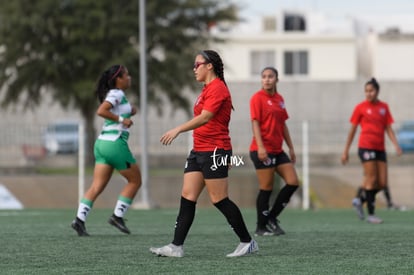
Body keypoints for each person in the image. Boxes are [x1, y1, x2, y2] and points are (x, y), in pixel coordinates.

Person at [150, 50, 258, 257]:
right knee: (187, 196)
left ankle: (247, 241)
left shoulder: (217, 88)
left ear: (209, 66)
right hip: (198, 150)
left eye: (197, 64)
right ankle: (176, 246)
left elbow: (206, 117)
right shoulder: (206, 90)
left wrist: (177, 129)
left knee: (219, 199)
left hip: (215, 151)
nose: (194, 69)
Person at [71, 65, 142, 236]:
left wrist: (128, 113)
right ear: (119, 79)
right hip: (115, 144)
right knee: (135, 181)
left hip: (102, 145)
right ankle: (117, 216)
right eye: (127, 75)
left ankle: (79, 220)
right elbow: (102, 110)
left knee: (97, 186)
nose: (129, 78)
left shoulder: (119, 95)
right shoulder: (116, 94)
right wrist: (121, 119)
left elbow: (117, 112)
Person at [341, 77, 402, 224]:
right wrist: (346, 151)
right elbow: (352, 130)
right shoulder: (360, 108)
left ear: (377, 91)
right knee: (371, 179)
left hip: (380, 148)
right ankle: (371, 215)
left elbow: (388, 127)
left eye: (371, 90)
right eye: (366, 91)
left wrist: (396, 145)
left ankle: (360, 200)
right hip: (366, 147)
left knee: (382, 183)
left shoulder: (384, 107)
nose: (369, 93)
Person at [249, 67, 299, 236]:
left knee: (293, 182)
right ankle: (260, 227)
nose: (267, 79)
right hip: (262, 150)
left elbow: (283, 124)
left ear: (277, 79)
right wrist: (261, 147)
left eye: (270, 76)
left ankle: (271, 217)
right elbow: (255, 122)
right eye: (264, 77)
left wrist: (291, 147)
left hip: (278, 151)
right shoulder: (257, 98)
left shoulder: (279, 99)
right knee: (266, 188)